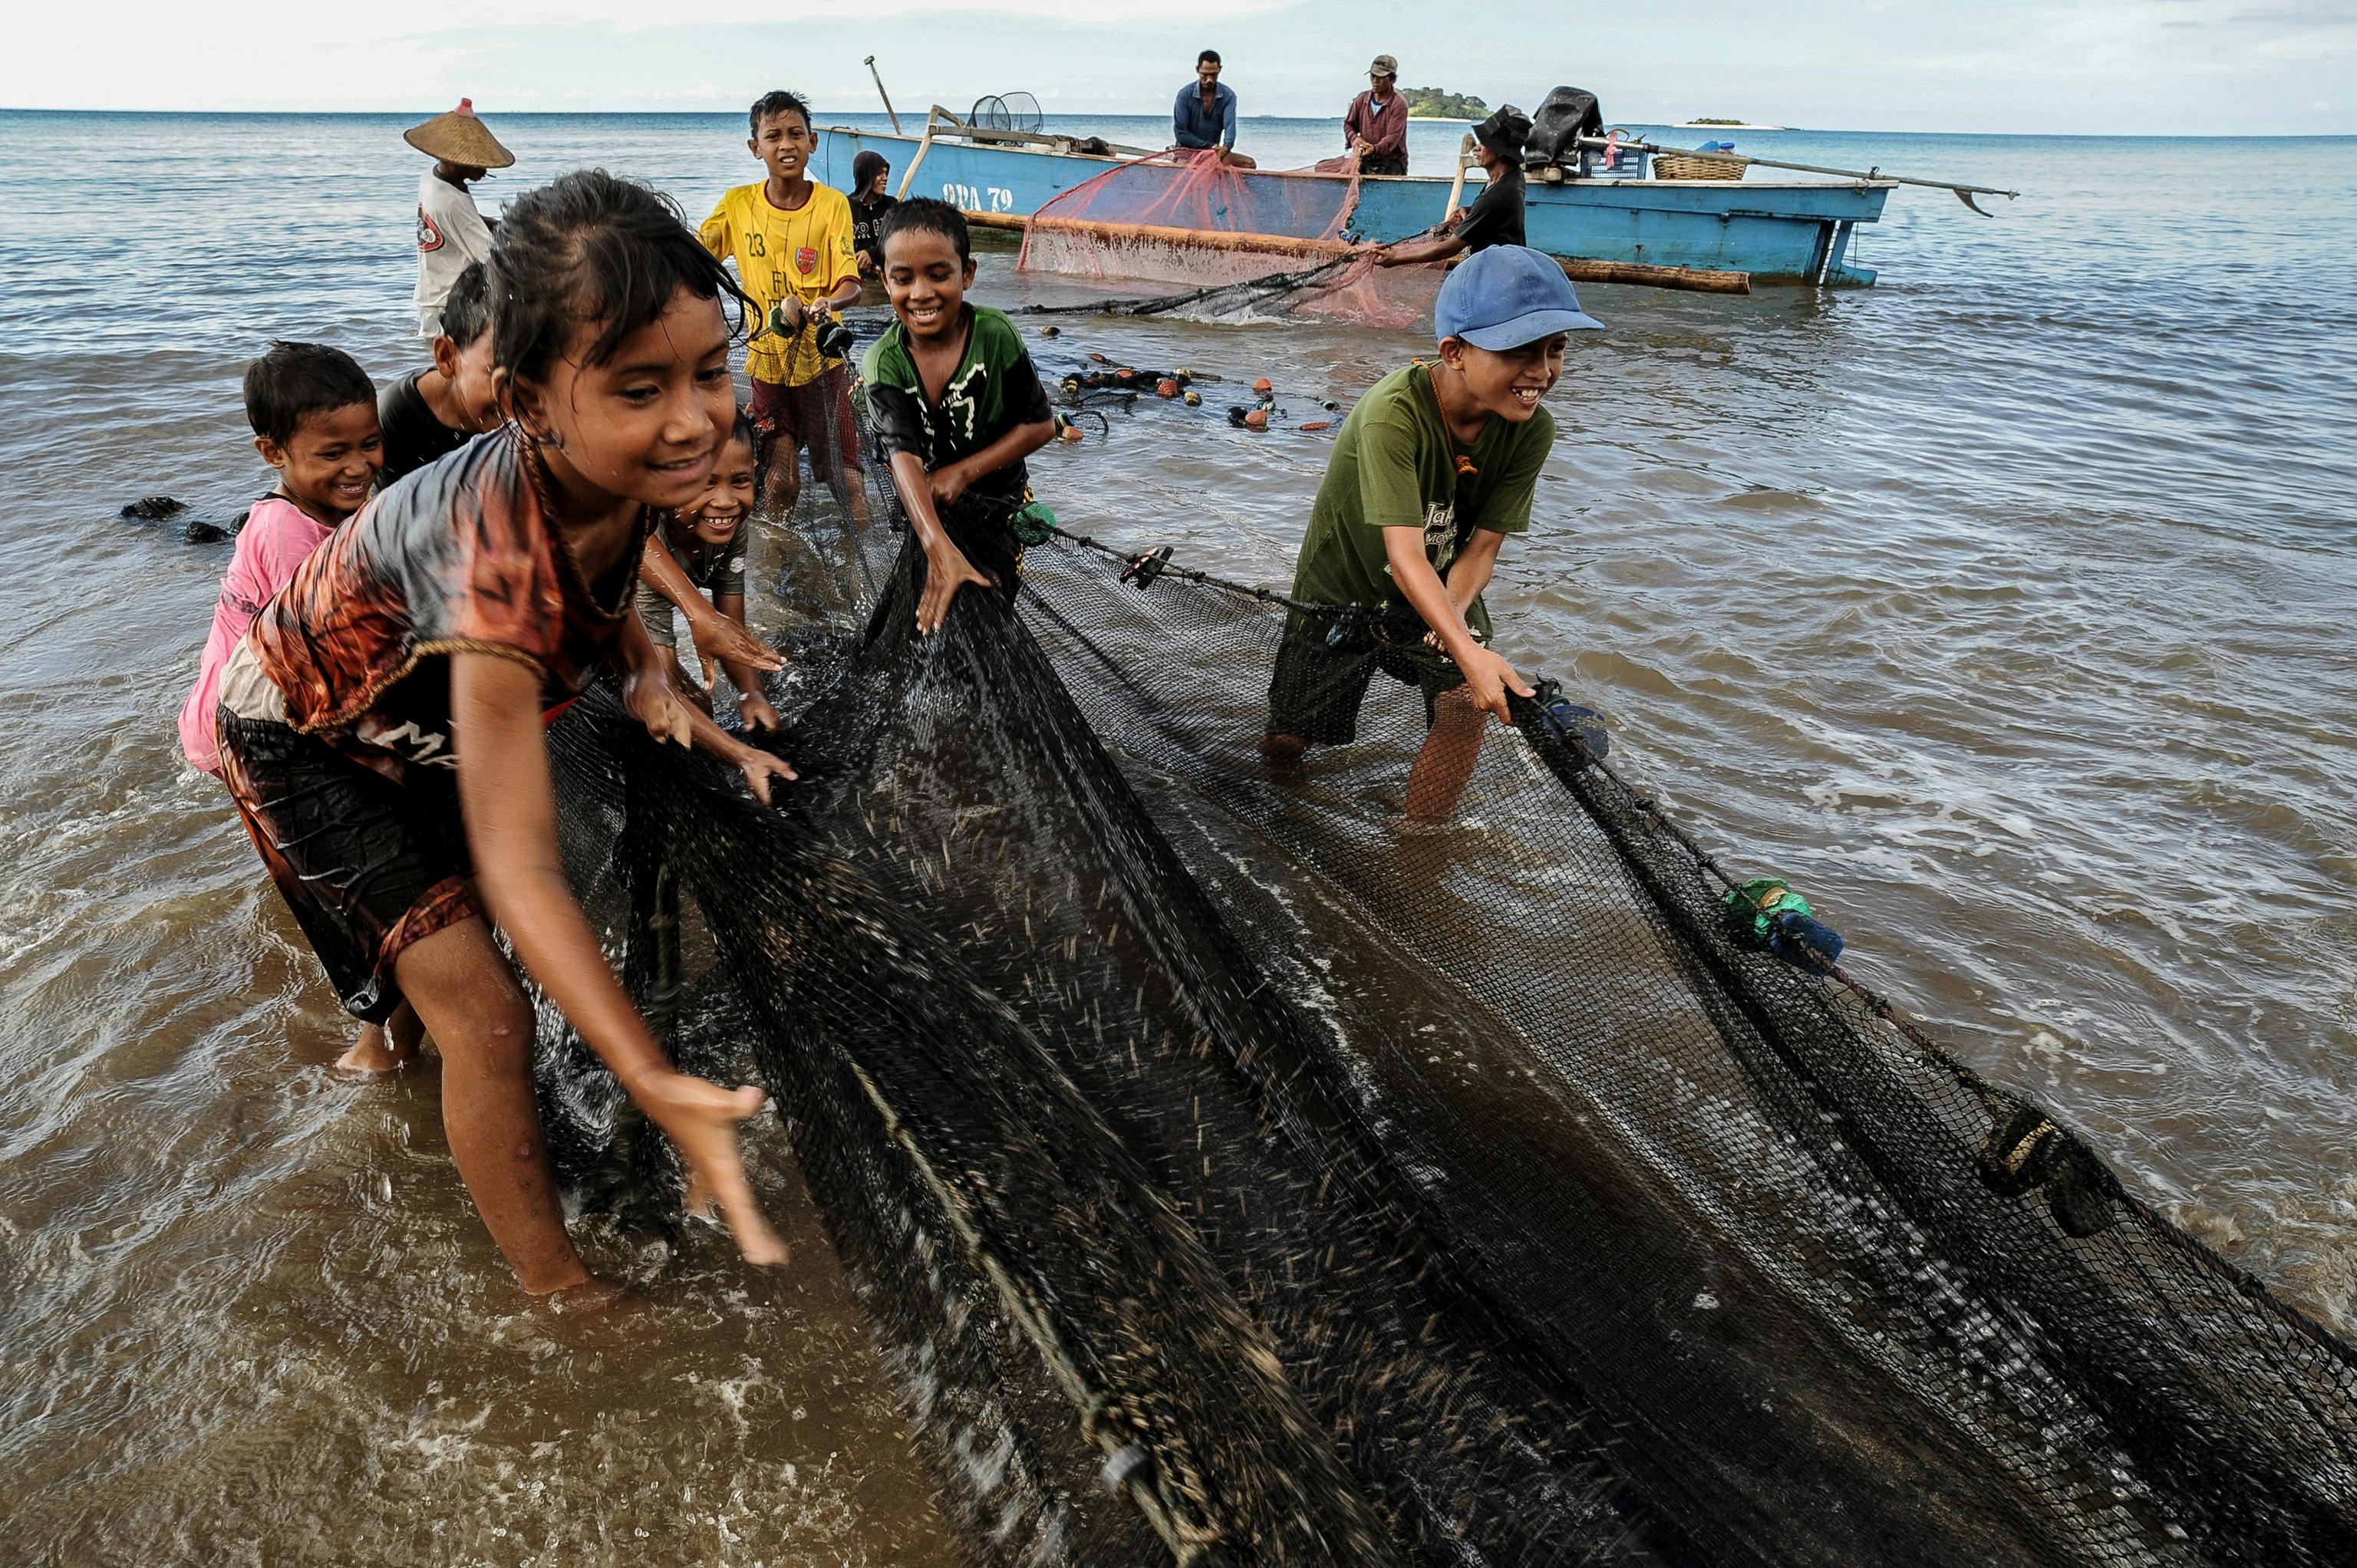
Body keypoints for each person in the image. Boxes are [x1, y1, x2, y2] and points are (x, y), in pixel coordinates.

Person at [211, 170, 793, 1293]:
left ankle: (406, 1053)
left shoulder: (614, 469)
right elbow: (524, 864)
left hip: (415, 715)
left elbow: (612, 576)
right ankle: (560, 1294)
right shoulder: (493, 559)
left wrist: (656, 655)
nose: (693, 419)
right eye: (639, 388)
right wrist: (654, 1079)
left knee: (462, 962)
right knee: (490, 1018)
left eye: (710, 371)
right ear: (529, 402)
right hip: (308, 738)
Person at [1259, 245, 1601, 822]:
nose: (1542, 372)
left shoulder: (1532, 429)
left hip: (1447, 580)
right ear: (1455, 352)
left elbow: (1483, 546)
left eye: (1556, 349)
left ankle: (1419, 848)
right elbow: (1403, 553)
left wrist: (1457, 622)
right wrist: (1466, 647)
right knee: (1293, 735)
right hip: (1345, 587)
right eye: (1520, 351)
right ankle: (1272, 804)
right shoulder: (1393, 412)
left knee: (1468, 703)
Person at [180, 343, 422, 1073]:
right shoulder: (287, 534)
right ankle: (371, 1045)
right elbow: (328, 666)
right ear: (272, 453)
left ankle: (385, 1026)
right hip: (250, 736)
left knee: (335, 864)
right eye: (333, 452)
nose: (359, 464)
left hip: (271, 716)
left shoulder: (346, 507)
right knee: (343, 884)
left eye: (370, 442)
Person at [861, 199, 1057, 634]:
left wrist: (963, 472)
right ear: (882, 279)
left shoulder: (995, 335)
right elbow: (903, 460)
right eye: (903, 278)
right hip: (929, 509)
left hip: (999, 508)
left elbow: (1040, 425)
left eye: (938, 274)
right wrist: (937, 546)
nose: (921, 294)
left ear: (967, 273)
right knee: (921, 622)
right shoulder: (883, 364)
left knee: (987, 616)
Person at [700, 90, 869, 524]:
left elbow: (850, 280)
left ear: (812, 142)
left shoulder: (832, 205)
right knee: (781, 483)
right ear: (756, 149)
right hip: (767, 366)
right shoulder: (738, 205)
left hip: (824, 365)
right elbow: (695, 260)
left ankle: (863, 578)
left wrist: (828, 302)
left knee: (848, 483)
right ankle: (773, 577)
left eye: (796, 134)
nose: (786, 145)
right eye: (773, 136)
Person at [635, 408, 782, 731]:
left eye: (740, 481)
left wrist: (753, 693)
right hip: (602, 633)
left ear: (754, 472)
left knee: (704, 708)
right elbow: (661, 674)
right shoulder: (650, 542)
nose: (725, 501)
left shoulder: (731, 529)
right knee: (686, 709)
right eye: (706, 484)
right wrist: (737, 754)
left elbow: (729, 627)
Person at [377, 261, 500, 487]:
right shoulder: (401, 414)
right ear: (447, 357)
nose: (521, 393)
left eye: (541, 372)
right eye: (497, 373)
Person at [405, 98, 513, 339]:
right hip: (452, 305)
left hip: (431, 293)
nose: (485, 170)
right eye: (478, 162)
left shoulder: (430, 178)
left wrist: (498, 224)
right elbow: (491, 258)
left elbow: (458, 221)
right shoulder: (453, 203)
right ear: (456, 159)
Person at [1373, 106, 1531, 268]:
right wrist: (1470, 210)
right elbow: (1499, 214)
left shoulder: (1496, 196)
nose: (1476, 148)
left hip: (1497, 271)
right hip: (1513, 261)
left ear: (1499, 151)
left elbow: (1448, 249)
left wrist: (1396, 258)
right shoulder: (1513, 176)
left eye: (1484, 143)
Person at [1172, 51, 1254, 168]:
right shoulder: (1185, 95)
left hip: (1214, 154)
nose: (1209, 80)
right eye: (1204, 75)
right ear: (1197, 70)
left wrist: (1226, 147)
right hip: (1187, 153)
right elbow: (1181, 133)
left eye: (1213, 75)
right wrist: (1208, 146)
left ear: (1219, 70)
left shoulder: (1228, 96)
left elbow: (1230, 127)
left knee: (1249, 163)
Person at [1343, 55, 1409, 176]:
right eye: (1373, 76)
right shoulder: (1361, 99)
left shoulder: (1398, 105)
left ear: (1392, 79)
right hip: (1365, 158)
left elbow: (1392, 138)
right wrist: (1355, 139)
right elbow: (1349, 125)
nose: (1375, 81)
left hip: (1391, 161)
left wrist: (1373, 149)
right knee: (1323, 166)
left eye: (1381, 78)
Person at [846, 150, 897, 277]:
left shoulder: (892, 205)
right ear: (865, 176)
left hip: (887, 277)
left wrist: (872, 253)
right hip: (856, 279)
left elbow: (901, 243)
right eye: (880, 173)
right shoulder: (845, 206)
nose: (885, 178)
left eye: (886, 173)